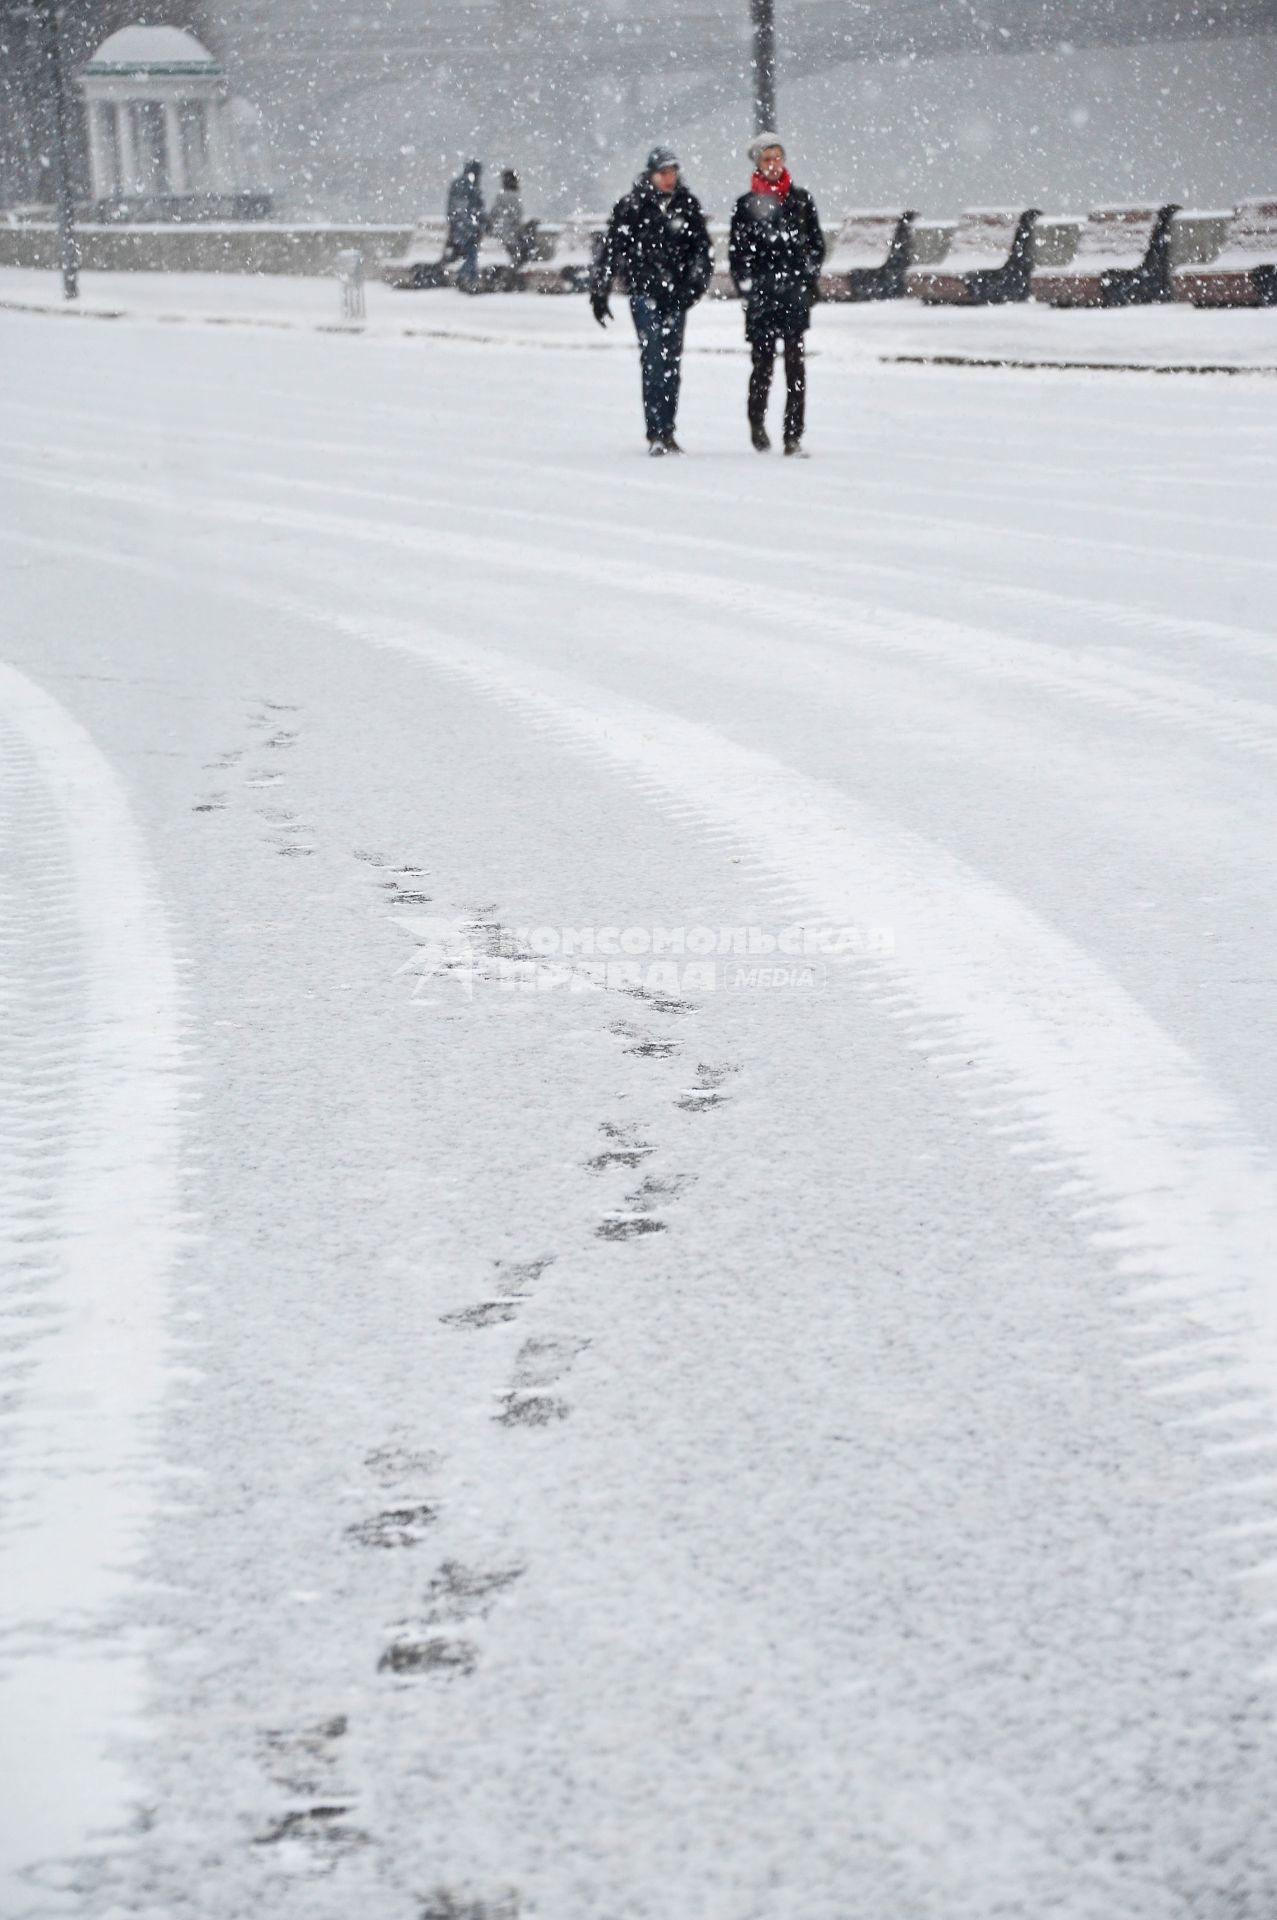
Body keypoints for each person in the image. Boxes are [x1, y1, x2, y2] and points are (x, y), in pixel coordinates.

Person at [590, 145, 712, 456]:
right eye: (664, 173)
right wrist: (600, 290)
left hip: (676, 296)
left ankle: (667, 430)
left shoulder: (687, 206)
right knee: (654, 359)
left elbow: (702, 252)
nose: (669, 179)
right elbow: (611, 250)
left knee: (671, 362)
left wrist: (693, 287)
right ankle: (655, 431)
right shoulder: (631, 207)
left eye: (673, 172)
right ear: (651, 175)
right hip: (645, 293)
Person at [728, 133, 825, 456]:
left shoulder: (800, 200)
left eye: (777, 158)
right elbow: (737, 254)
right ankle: (757, 421)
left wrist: (806, 278)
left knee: (796, 367)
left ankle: (792, 435)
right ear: (757, 163)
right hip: (762, 298)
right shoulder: (745, 206)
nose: (773, 165)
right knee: (763, 365)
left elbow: (816, 245)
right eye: (767, 159)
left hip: (794, 294)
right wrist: (749, 287)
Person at [446, 158, 485, 293]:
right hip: (469, 228)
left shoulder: (456, 184)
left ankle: (467, 278)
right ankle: (468, 279)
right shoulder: (472, 187)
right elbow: (476, 208)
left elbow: (451, 208)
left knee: (469, 254)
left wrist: (453, 223)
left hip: (457, 227)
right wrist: (480, 224)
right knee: (472, 254)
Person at [486, 168, 526, 266]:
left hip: (503, 233)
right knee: (517, 257)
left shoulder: (501, 196)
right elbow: (517, 215)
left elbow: (493, 213)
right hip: (511, 233)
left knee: (514, 256)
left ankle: (513, 271)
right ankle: (514, 272)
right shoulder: (515, 196)